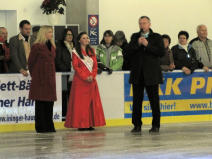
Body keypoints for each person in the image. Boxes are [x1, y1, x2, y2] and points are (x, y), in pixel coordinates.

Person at [128, 16, 165, 133]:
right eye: (140, 23)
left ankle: (156, 125)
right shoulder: (135, 37)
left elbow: (161, 52)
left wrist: (147, 45)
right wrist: (137, 44)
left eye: (144, 23)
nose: (142, 25)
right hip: (137, 74)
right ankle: (137, 125)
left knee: (154, 101)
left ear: (149, 24)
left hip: (152, 75)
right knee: (137, 101)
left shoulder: (157, 37)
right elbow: (128, 52)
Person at [64, 32, 106, 131]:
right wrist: (85, 77)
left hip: (91, 81)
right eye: (84, 38)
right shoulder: (75, 52)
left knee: (91, 103)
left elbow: (95, 66)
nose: (86, 39)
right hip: (80, 82)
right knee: (81, 104)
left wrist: (92, 75)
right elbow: (76, 66)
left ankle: (90, 123)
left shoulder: (91, 51)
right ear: (79, 40)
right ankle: (81, 124)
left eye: (87, 38)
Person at [28, 26, 57, 133]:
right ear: (44, 33)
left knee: (49, 104)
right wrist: (36, 75)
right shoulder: (36, 47)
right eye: (49, 32)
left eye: (52, 32)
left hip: (50, 79)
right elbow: (31, 63)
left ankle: (49, 126)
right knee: (40, 104)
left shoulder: (52, 46)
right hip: (40, 80)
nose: (51, 34)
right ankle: (41, 127)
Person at [55, 28, 75, 121]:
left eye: (71, 34)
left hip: (74, 74)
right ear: (64, 36)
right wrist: (65, 70)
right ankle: (64, 116)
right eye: (68, 34)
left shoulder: (75, 46)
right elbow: (58, 61)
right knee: (64, 96)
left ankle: (72, 116)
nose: (70, 36)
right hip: (64, 75)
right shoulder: (59, 46)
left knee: (73, 96)